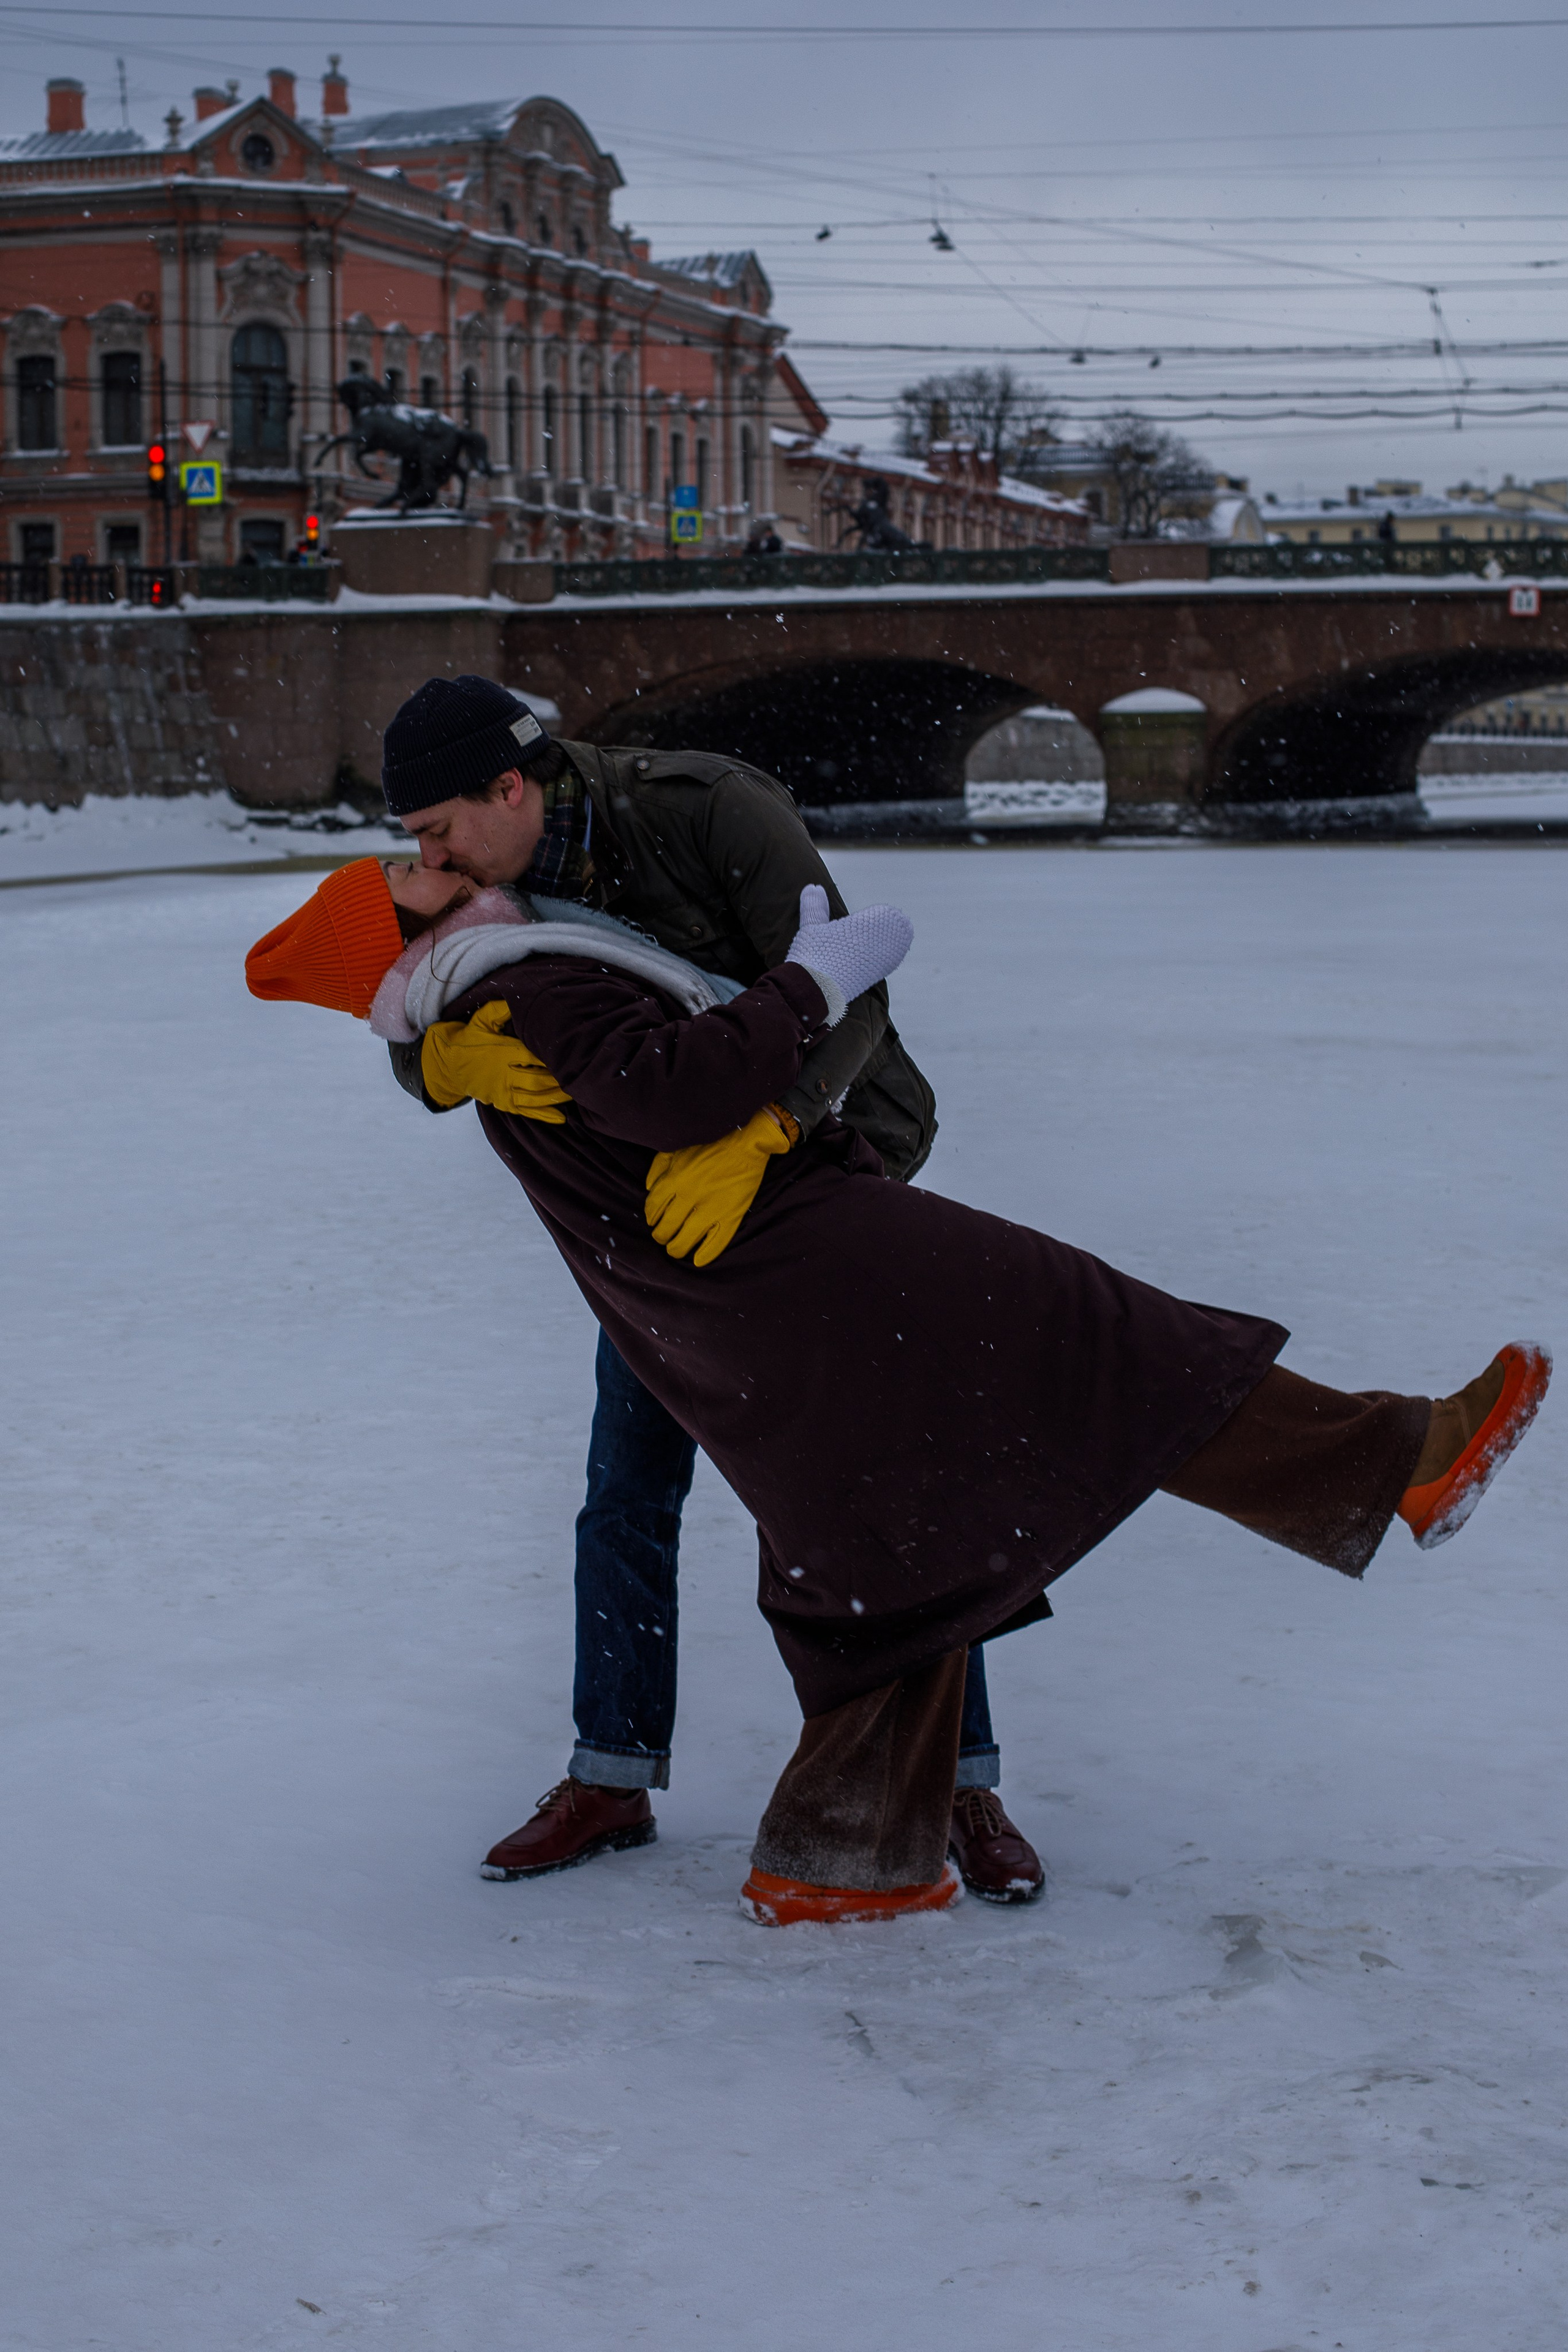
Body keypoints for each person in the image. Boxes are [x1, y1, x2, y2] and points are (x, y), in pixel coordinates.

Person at [247, 856, 1550, 1927]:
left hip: (740, 1302)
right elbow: (676, 1087)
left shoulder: (496, 987)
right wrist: (816, 980)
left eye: (425, 844)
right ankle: (1397, 1462)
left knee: (885, 1544)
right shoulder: (513, 988)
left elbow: (613, 1076)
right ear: (416, 942)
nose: (440, 859)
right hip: (807, 1261)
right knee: (1101, 1340)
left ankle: (838, 1852)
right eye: (413, 873)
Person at [374, 676, 1044, 1902]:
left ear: (510, 789)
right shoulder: (491, 875)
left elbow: (852, 986)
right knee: (626, 1485)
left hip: (825, 1163)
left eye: (436, 829)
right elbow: (411, 976)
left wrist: (769, 1134)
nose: (423, 857)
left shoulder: (714, 811)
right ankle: (609, 1772)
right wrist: (430, 1063)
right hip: (659, 1219)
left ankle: (962, 1782)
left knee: (882, 1482)